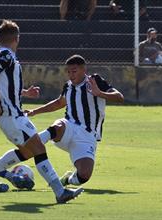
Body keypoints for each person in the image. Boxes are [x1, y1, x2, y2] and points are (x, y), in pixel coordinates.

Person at [0, 19, 83, 204]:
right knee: (38, 148)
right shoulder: (5, 55)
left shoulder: (7, 56)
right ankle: (60, 192)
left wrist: (25, 93)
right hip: (10, 116)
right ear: (17, 38)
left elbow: (3, 84)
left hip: (14, 115)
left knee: (26, 152)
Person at [25, 55, 124, 187]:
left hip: (87, 135)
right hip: (69, 128)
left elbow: (119, 97)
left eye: (74, 71)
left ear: (84, 70)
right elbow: (59, 103)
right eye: (69, 71)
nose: (71, 75)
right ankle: (33, 143)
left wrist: (99, 93)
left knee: (84, 175)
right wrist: (34, 111)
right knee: (59, 126)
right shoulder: (68, 86)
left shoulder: (95, 80)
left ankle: (67, 180)